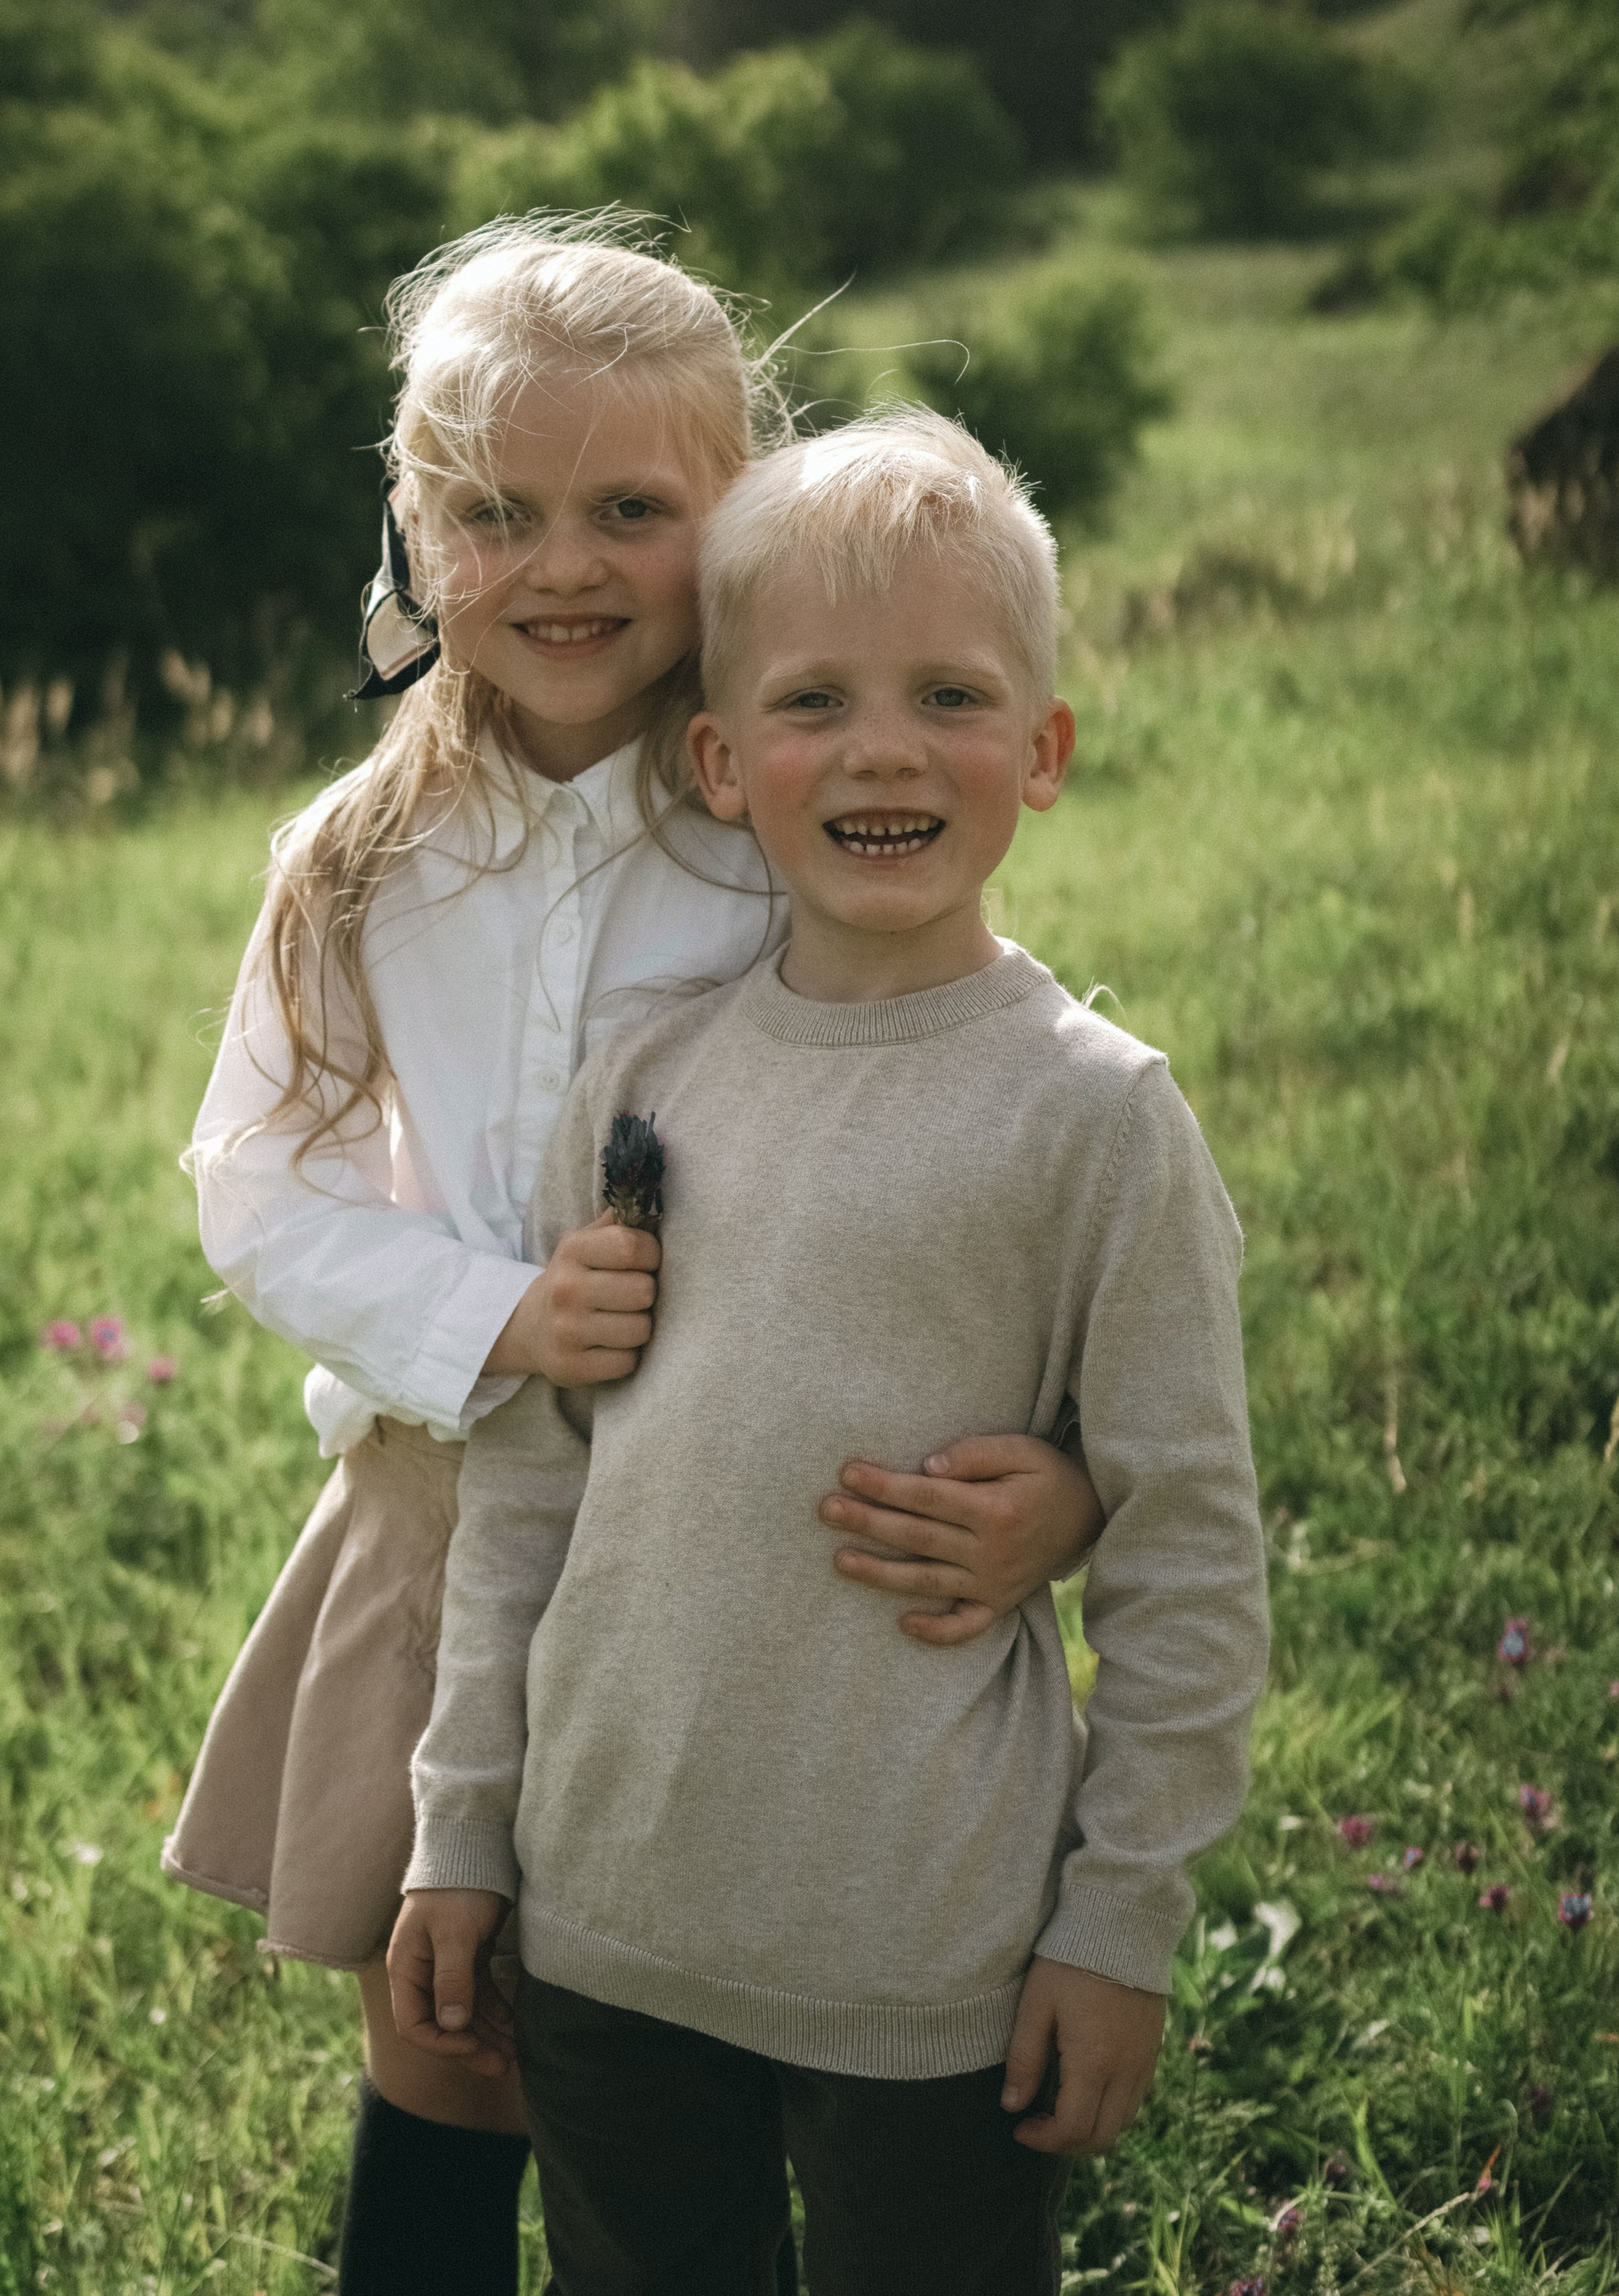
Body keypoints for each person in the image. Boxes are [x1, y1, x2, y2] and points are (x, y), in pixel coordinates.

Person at [163, 227, 1107, 2296]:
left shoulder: (784, 797)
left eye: (630, 510)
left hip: (770, 1540)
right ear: (415, 527)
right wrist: (492, 1316)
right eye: (496, 513)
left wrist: (1070, 1480)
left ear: (735, 509)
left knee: (730, 2047)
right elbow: (255, 1180)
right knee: (453, 2035)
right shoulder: (359, 859)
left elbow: (984, 1138)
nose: (563, 565)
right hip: (449, 1519)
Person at [390, 409, 1271, 2296]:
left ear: (1044, 751)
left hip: (927, 1956)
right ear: (719, 761)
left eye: (950, 696)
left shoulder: (1097, 1120)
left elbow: (1190, 1551)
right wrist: (460, 1834)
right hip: (607, 1919)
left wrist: (1118, 1926)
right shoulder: (642, 1086)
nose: (883, 749)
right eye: (812, 703)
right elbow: (529, 1493)